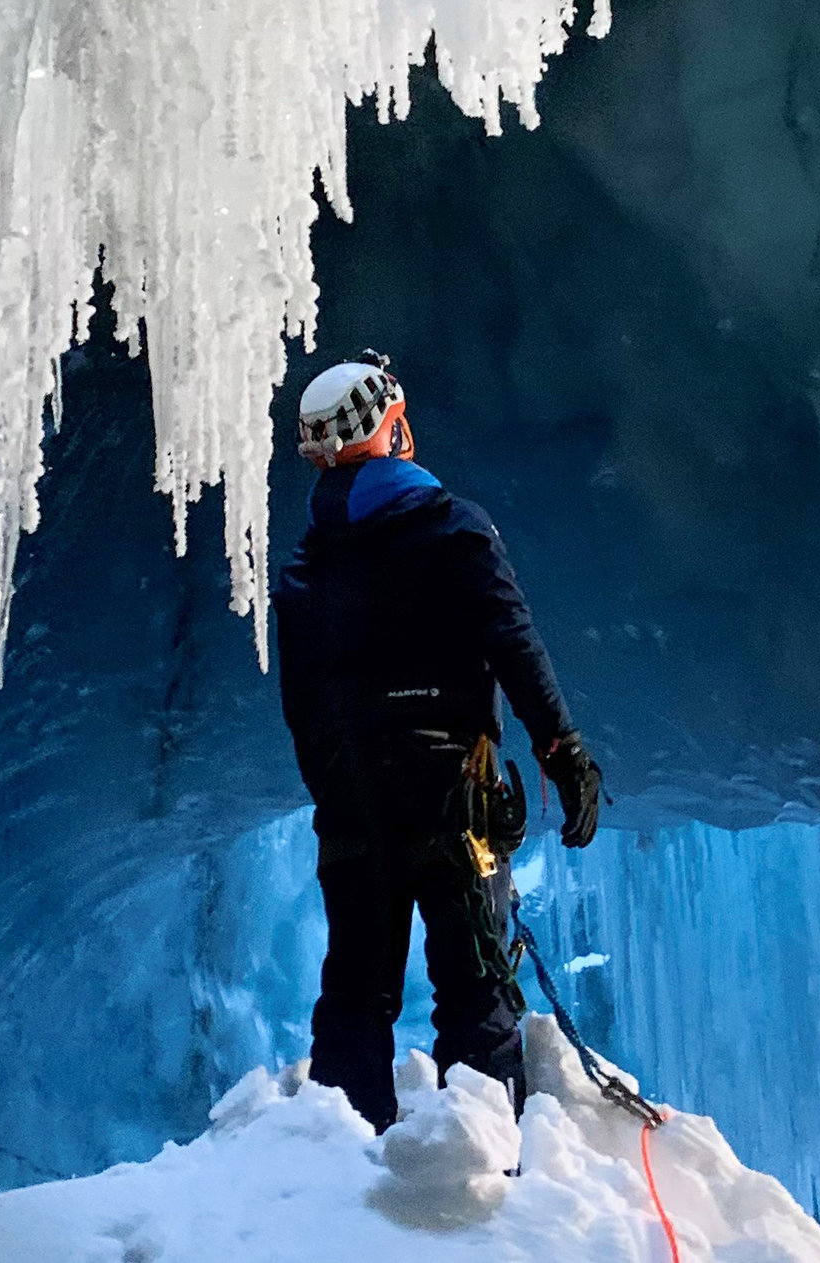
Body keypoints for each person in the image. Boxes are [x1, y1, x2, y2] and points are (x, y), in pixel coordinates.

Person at [273, 350, 604, 1131]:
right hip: (452, 799)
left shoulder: (304, 570)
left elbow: (303, 712)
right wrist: (565, 754)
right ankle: (483, 1169)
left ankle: (341, 1173)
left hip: (353, 806)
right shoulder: (453, 530)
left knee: (355, 990)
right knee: (475, 983)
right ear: (388, 430)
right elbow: (514, 647)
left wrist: (343, 799)